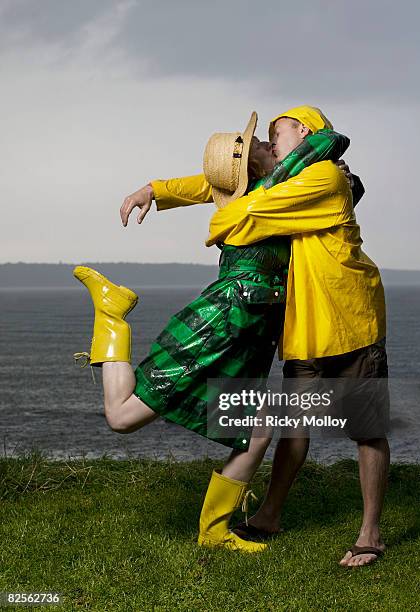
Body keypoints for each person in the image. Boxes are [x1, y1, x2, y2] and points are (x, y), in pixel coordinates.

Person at [123, 105, 389, 567]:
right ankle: (268, 515)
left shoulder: (324, 177)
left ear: (303, 131)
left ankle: (370, 534)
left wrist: (223, 220)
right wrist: (156, 190)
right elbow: (222, 182)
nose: (269, 141)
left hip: (350, 320)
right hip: (304, 322)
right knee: (294, 424)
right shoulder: (287, 176)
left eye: (275, 133)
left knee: (366, 429)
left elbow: (245, 206)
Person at [74, 111, 350, 553]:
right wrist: (302, 137)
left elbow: (223, 181)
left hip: (254, 328)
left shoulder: (283, 187)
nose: (269, 144)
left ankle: (214, 532)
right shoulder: (273, 184)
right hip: (225, 316)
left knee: (258, 431)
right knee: (121, 416)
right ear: (252, 167)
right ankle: (111, 314)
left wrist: (154, 189)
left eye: (270, 139)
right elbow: (325, 141)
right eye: (263, 144)